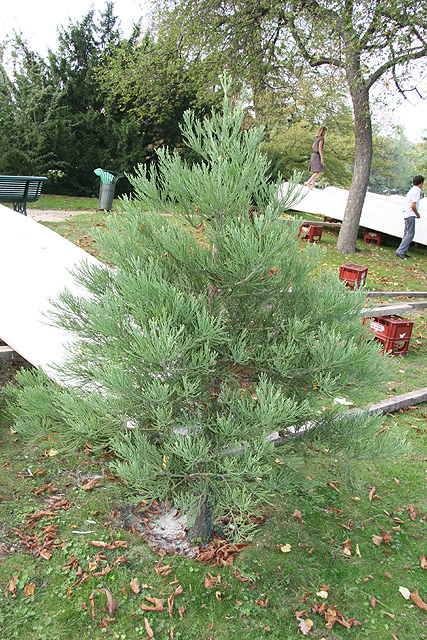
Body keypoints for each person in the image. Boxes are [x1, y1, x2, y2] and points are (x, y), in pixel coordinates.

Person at [395, 175, 424, 259]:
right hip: (411, 214)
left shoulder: (411, 190)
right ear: (421, 183)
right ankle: (400, 251)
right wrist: (417, 214)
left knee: (406, 233)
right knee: (410, 234)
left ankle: (403, 251)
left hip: (406, 213)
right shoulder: (416, 192)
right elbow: (413, 205)